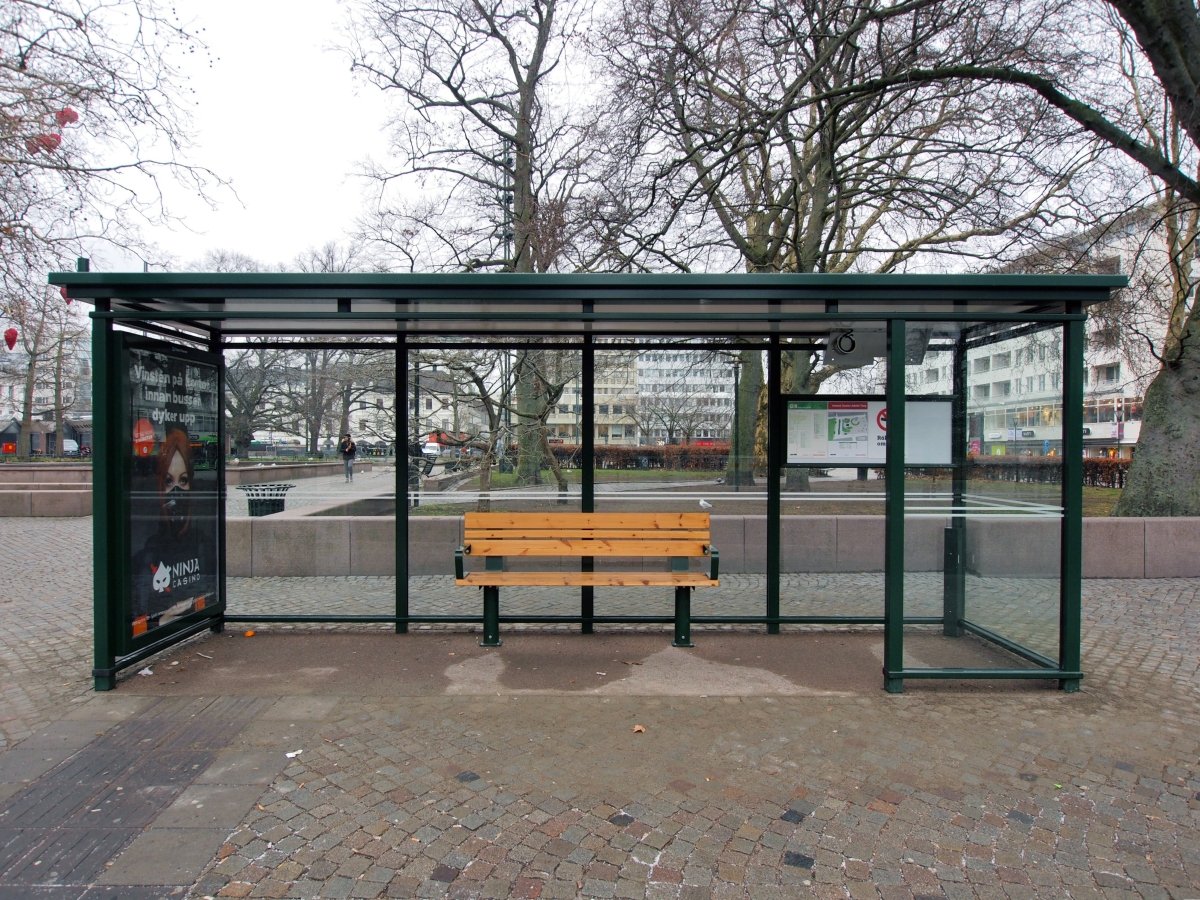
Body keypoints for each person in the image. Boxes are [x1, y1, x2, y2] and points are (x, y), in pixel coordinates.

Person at [131, 427, 216, 633]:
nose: (176, 491)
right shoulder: (148, 555)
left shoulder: (203, 546)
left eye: (183, 480)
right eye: (169, 481)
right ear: (160, 485)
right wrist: (164, 619)